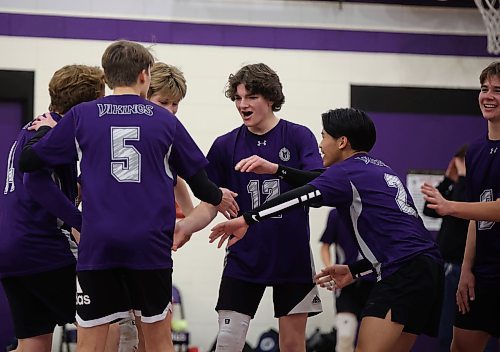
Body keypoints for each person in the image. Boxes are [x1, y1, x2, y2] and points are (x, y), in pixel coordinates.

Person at [18, 40, 238, 352]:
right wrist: (219, 196)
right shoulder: (165, 122)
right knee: (159, 341)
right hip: (148, 247)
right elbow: (201, 187)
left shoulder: (81, 115)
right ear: (145, 75)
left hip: (98, 245)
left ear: (105, 77)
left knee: (91, 343)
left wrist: (42, 132)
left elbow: (30, 163)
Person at [209, 107, 444, 352]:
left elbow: (301, 197)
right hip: (429, 269)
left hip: (403, 273)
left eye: (324, 136)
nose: (320, 144)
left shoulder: (346, 172)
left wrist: (248, 219)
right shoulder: (377, 169)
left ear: (342, 141)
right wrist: (355, 269)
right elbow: (407, 242)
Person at [175, 63, 324, 352]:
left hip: (291, 255)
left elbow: (320, 186)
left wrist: (277, 169)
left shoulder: (297, 136)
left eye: (251, 97)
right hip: (244, 256)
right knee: (228, 342)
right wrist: (185, 227)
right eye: (238, 98)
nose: (243, 104)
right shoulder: (224, 145)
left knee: (293, 344)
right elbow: (210, 203)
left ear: (270, 98)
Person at [0, 64, 105, 352]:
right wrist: (82, 222)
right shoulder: (52, 134)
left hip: (12, 249)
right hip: (43, 248)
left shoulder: (34, 128)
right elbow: (35, 180)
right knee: (109, 315)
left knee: (33, 343)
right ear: (88, 104)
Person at [421, 61, 500, 352]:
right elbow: (476, 218)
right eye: (484, 88)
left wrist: (450, 206)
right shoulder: (476, 150)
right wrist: (467, 270)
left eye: (497, 90)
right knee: (460, 346)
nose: (488, 95)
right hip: (484, 273)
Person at [421, 146, 470, 352]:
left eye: (460, 163)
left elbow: (459, 210)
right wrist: (449, 180)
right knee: (445, 325)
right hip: (446, 264)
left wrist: (463, 177)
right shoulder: (456, 187)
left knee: (458, 326)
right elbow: (429, 209)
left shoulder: (472, 189)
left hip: (461, 265)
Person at [319, 208, 374, 352]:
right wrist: (329, 267)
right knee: (345, 335)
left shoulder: (376, 211)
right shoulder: (336, 213)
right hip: (346, 285)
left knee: (373, 340)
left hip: (374, 283)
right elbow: (325, 246)